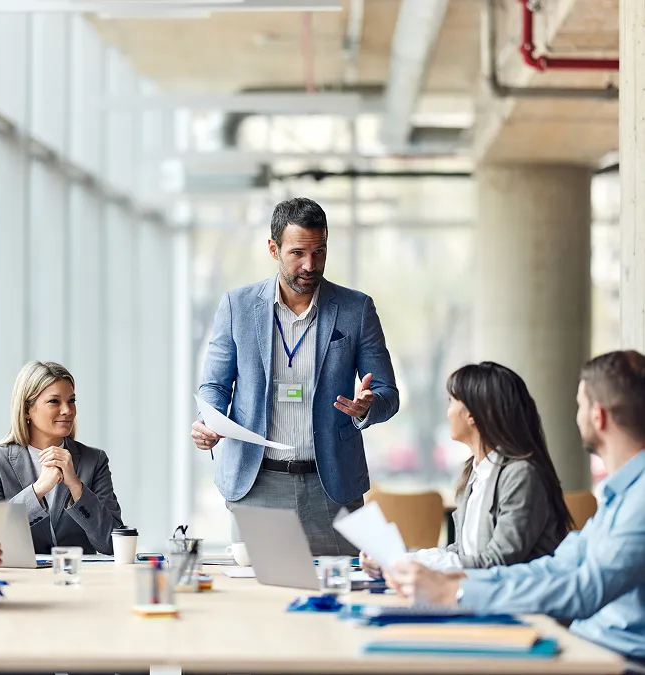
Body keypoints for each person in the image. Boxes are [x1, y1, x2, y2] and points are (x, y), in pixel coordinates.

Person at [385, 350, 645, 663]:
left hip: (616, 658)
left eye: (579, 405)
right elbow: (556, 566)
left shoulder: (638, 499)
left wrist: (456, 592)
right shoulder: (620, 495)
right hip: (588, 644)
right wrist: (453, 583)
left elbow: (584, 589)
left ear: (597, 416)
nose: (575, 415)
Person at [191, 197, 399, 555]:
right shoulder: (237, 307)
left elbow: (387, 392)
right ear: (274, 248)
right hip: (257, 483)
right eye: (298, 253)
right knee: (261, 601)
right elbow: (215, 384)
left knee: (341, 594)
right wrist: (207, 421)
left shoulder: (355, 309)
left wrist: (369, 406)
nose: (310, 264)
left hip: (331, 483)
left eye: (319, 252)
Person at [361, 362, 573, 575]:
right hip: (479, 595)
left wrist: (411, 566)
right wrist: (397, 561)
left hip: (514, 602)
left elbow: (497, 562)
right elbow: (461, 553)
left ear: (472, 414)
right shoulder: (476, 472)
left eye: (451, 401)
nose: (448, 412)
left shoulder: (520, 475)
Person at [0, 361, 123, 554]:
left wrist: (77, 487)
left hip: (80, 580)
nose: (67, 410)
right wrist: (38, 489)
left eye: (71, 400)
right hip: (20, 580)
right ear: (27, 409)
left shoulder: (94, 460)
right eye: (54, 401)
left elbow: (113, 543)